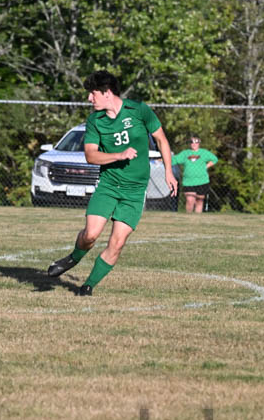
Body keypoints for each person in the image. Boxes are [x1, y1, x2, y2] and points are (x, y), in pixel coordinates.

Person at [47, 70, 178, 295]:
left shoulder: (139, 110)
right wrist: (119, 155)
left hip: (135, 191)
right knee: (90, 235)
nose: (89, 98)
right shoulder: (95, 121)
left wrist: (169, 172)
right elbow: (91, 155)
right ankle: (73, 258)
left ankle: (87, 287)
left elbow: (161, 139)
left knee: (117, 243)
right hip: (109, 186)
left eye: (93, 93)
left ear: (107, 92)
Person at [173, 135, 218, 213]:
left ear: (199, 143)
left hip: (202, 181)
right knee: (190, 200)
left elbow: (214, 159)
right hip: (188, 181)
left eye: (196, 142)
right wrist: (162, 159)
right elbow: (174, 160)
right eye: (192, 142)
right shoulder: (185, 153)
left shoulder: (204, 152)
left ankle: (197, 219)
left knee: (199, 201)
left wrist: (206, 166)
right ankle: (188, 217)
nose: (194, 144)